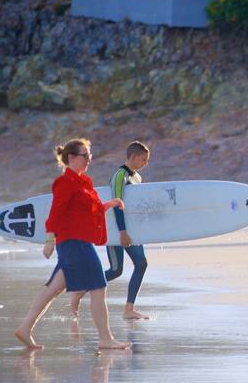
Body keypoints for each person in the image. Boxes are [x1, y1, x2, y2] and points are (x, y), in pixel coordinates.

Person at [15, 138, 131, 351]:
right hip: (75, 244)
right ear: (71, 158)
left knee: (53, 289)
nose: (89, 159)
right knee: (98, 287)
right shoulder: (65, 182)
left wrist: (109, 204)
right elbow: (55, 214)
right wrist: (50, 239)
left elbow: (87, 211)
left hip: (76, 243)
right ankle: (105, 339)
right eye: (85, 155)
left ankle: (24, 328)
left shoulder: (83, 181)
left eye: (90, 155)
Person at [69, 141, 150, 320]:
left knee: (141, 263)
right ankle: (79, 291)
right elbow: (116, 204)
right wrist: (121, 232)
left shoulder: (137, 178)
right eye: (143, 160)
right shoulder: (120, 176)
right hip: (115, 229)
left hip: (132, 230)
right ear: (134, 157)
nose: (145, 164)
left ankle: (129, 309)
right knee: (115, 270)